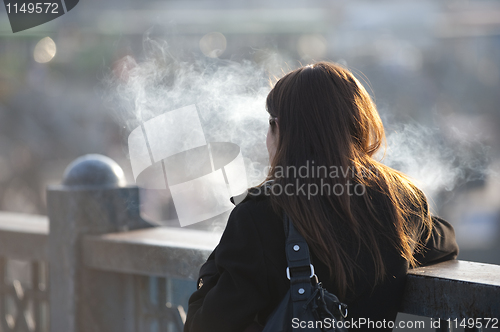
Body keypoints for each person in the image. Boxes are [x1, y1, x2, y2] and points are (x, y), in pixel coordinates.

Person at [184, 62, 459, 332]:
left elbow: (203, 324)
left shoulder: (259, 215)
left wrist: (210, 271)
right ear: (358, 123)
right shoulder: (402, 200)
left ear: (279, 128)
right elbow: (443, 241)